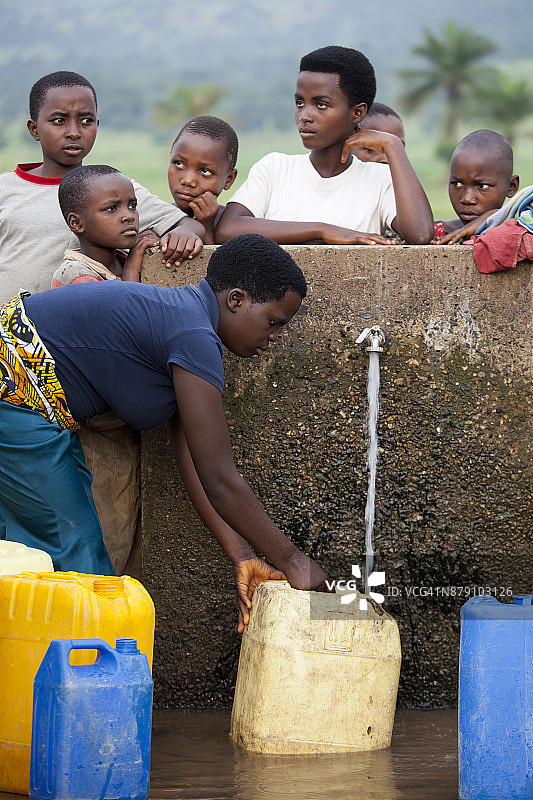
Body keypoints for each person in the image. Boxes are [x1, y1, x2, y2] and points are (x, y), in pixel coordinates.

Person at [0, 233, 330, 630]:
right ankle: (92, 678)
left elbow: (194, 460)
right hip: (15, 401)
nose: (273, 338)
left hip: (35, 414)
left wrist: (243, 555)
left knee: (35, 553)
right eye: (273, 323)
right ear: (237, 300)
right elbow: (221, 478)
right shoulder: (192, 335)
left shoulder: (182, 323)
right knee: (79, 557)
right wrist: (294, 561)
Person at [0, 70, 205, 302]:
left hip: (77, 328)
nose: (74, 132)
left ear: (97, 124)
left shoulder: (116, 192)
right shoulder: (6, 189)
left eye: (86, 121)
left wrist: (182, 234)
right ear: (34, 128)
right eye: (59, 121)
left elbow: (187, 225)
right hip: (7, 330)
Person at [50, 165, 162, 576]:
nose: (129, 215)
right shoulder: (77, 278)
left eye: (131, 205)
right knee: (107, 540)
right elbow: (123, 324)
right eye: (112, 208)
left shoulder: (115, 265)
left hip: (124, 433)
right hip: (93, 440)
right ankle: (92, 630)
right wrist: (133, 268)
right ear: (76, 223)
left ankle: (120, 634)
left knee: (132, 545)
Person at [216, 45, 434, 246]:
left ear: (357, 112)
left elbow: (421, 234)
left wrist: (392, 144)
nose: (304, 116)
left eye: (321, 105)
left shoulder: (380, 179)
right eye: (300, 103)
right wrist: (322, 230)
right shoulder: (274, 168)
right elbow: (228, 228)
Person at [432, 130, 519, 245]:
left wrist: (495, 216)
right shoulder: (438, 233)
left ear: (511, 186)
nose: (467, 199)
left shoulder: (520, 232)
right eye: (458, 184)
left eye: (482, 186)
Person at [168, 116, 238, 244]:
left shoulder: (233, 226)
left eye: (205, 171)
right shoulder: (159, 219)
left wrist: (206, 228)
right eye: (179, 164)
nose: (188, 180)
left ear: (229, 179)